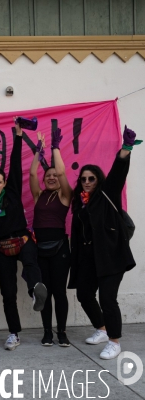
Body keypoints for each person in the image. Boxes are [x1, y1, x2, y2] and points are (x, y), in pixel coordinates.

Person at [69, 126, 139, 360]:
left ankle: (114, 341)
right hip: (89, 258)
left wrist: (126, 149)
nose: (87, 182)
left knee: (107, 298)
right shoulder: (79, 203)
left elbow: (118, 172)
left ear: (98, 180)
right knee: (84, 295)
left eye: (91, 178)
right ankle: (101, 328)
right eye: (83, 179)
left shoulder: (107, 194)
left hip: (110, 256)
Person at [0, 120, 47, 351]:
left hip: (22, 238)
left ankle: (34, 291)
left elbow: (14, 162)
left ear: (4, 183)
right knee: (7, 291)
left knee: (31, 261)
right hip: (1, 247)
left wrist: (18, 136)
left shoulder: (11, 190)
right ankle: (14, 334)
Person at [29, 129, 73, 347]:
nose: (52, 177)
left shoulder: (65, 196)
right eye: (48, 176)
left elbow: (63, 174)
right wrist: (39, 152)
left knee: (59, 292)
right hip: (40, 249)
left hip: (59, 249)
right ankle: (47, 332)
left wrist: (55, 148)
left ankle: (62, 332)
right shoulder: (39, 196)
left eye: (55, 175)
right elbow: (31, 175)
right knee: (43, 293)